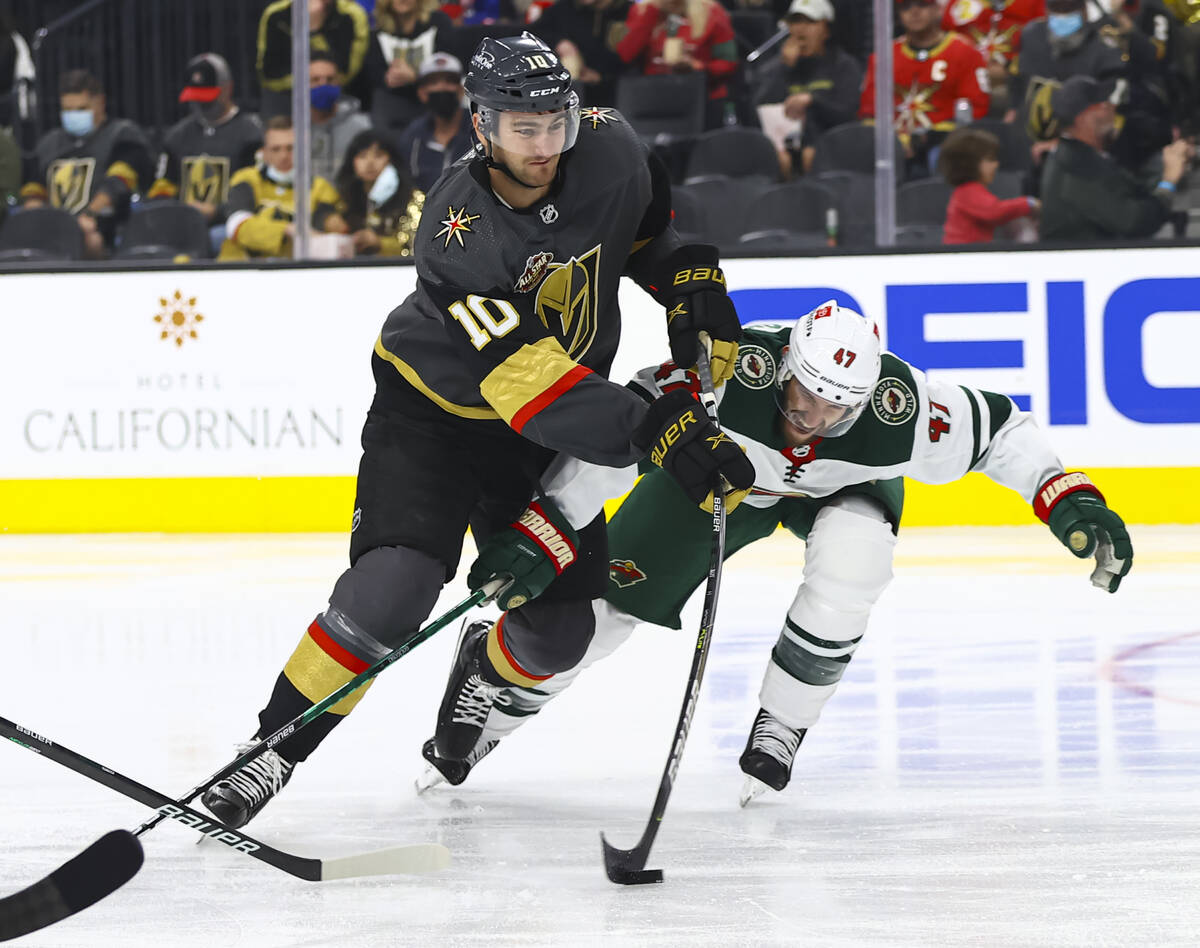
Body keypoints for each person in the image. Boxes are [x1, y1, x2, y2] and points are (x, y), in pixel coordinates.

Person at [200, 33, 752, 830]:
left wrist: (688, 278)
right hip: (437, 417)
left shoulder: (609, 144)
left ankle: (479, 672)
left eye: (556, 122)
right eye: (522, 128)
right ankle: (269, 753)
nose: (545, 144)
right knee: (393, 591)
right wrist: (655, 427)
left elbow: (644, 226)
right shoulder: (454, 232)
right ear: (481, 126)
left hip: (543, 422)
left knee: (560, 634)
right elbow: (526, 383)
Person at [415, 300, 1134, 805]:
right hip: (717, 482)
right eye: (807, 396)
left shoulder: (901, 409)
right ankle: (494, 697)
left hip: (839, 492)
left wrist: (1069, 497)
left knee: (855, 564)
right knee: (598, 620)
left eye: (837, 409)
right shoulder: (724, 371)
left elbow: (1004, 431)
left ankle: (784, 723)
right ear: (784, 360)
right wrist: (548, 528)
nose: (815, 420)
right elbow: (623, 438)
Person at [19, 69, 155, 258]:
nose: (73, 115)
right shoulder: (49, 143)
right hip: (53, 231)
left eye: (81, 109)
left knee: (89, 238)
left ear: (100, 103)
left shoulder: (122, 136)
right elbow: (34, 188)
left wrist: (89, 215)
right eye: (67, 110)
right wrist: (36, 220)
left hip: (103, 229)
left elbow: (118, 183)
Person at [1038, 74, 1191, 241]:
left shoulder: (1083, 157)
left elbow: (1134, 193)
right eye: (1104, 105)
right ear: (1084, 119)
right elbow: (1134, 222)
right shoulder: (1075, 169)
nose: (1113, 107)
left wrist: (1169, 163)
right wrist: (1168, 182)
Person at [859, 0, 990, 176]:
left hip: (946, 148)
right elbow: (869, 112)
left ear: (937, 9)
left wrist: (930, 137)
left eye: (922, 4)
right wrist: (895, 142)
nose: (914, 12)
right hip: (890, 148)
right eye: (906, 7)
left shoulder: (965, 52)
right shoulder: (883, 56)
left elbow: (976, 110)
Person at [147, 53, 264, 232]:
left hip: (229, 224)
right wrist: (167, 210)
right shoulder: (177, 135)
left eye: (208, 97)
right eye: (197, 97)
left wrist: (219, 211)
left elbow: (257, 188)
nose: (202, 104)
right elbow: (164, 185)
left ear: (227, 88)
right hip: (181, 223)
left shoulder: (251, 134)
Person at [751, 0, 863, 177]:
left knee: (811, 156)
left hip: (831, 147)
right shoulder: (775, 68)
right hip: (783, 149)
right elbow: (758, 112)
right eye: (795, 22)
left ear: (826, 29)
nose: (801, 30)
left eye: (810, 22)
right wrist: (784, 68)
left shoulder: (843, 66)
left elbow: (848, 113)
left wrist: (813, 101)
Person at [217, 116, 343, 260]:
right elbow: (237, 227)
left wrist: (331, 222)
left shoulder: (320, 187)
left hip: (296, 269)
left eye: (290, 148)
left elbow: (326, 227)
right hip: (241, 268)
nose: (284, 156)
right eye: (276, 149)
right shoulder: (246, 179)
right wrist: (287, 230)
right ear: (265, 153)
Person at [616, 0, 740, 129]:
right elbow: (626, 55)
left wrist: (697, 67)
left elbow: (728, 63)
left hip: (701, 98)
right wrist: (650, 14)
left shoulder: (712, 11)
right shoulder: (642, 10)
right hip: (651, 99)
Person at [257, 0, 371, 117]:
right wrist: (308, 82)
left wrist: (316, 30)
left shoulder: (351, 14)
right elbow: (269, 74)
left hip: (337, 91)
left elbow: (348, 70)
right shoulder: (276, 14)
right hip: (287, 94)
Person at [362, 0, 455, 134]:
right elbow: (373, 72)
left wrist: (415, 77)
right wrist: (387, 78)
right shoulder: (376, 28)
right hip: (392, 100)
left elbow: (448, 63)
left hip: (433, 98)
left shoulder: (439, 21)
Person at [329, 128, 425, 256]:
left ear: (392, 160)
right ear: (352, 162)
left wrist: (380, 243)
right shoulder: (344, 197)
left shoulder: (412, 198)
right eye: (362, 156)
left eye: (378, 155)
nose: (370, 163)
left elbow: (416, 246)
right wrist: (327, 219)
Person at [941, 0, 1045, 113]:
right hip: (965, 85)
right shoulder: (958, 4)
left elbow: (1042, 44)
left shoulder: (1034, 3)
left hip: (1016, 85)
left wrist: (1010, 71)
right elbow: (944, 44)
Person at [939, 126, 1038, 243]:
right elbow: (996, 211)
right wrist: (1029, 203)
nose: (996, 164)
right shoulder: (969, 191)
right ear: (969, 164)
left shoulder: (966, 191)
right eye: (990, 159)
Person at [395, 52, 475, 193]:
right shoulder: (412, 137)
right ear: (422, 93)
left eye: (449, 81)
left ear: (461, 90)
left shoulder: (480, 131)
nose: (442, 88)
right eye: (434, 82)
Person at [531, 0, 632, 107]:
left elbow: (633, 60)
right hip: (572, 94)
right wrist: (557, 42)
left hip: (617, 95)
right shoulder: (565, 8)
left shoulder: (630, 11)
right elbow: (530, 32)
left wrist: (602, 77)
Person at [309, 51, 373, 181]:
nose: (323, 85)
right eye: (315, 80)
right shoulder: (292, 129)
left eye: (330, 79)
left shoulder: (361, 128)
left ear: (338, 82)